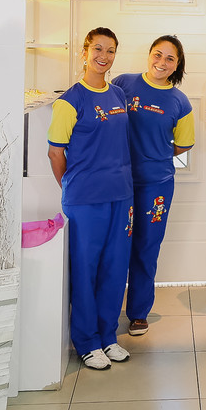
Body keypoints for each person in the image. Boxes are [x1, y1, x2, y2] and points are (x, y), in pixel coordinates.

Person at [47, 27, 133, 371]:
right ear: (85, 52)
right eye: (98, 49)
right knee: (85, 270)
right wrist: (72, 186)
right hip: (85, 200)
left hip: (121, 196)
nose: (104, 56)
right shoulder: (70, 101)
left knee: (114, 269)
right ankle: (86, 341)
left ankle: (108, 336)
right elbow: (55, 154)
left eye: (110, 51)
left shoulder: (119, 96)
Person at [112, 36, 195, 337]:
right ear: (148, 55)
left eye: (170, 58)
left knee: (146, 248)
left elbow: (183, 144)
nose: (162, 62)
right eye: (157, 54)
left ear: (177, 65)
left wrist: (154, 154)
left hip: (156, 186)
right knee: (115, 247)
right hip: (117, 182)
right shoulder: (124, 83)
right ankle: (106, 311)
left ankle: (138, 312)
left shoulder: (179, 102)